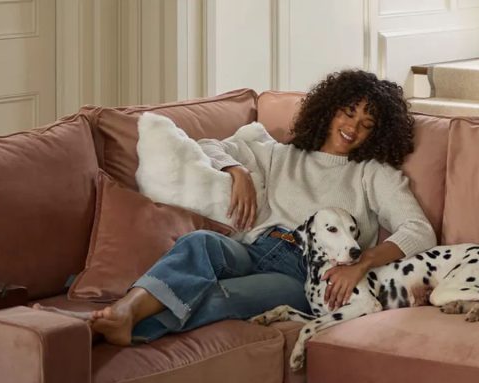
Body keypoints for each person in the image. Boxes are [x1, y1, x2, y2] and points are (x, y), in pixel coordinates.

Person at [86, 69, 435, 346]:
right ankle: (125, 310)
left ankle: (118, 330)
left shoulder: (372, 173)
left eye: (366, 125)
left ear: (376, 134)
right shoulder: (281, 154)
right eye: (348, 113)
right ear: (331, 109)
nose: (352, 128)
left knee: (223, 297)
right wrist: (236, 171)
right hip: (254, 248)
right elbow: (207, 146)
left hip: (301, 276)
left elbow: (419, 231)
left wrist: (360, 266)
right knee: (199, 243)